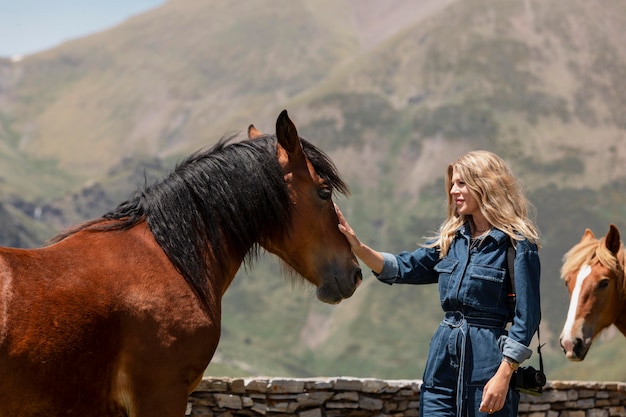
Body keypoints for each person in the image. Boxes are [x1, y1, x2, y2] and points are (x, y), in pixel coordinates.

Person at [337, 150, 541, 417]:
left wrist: (503, 376)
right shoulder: (451, 240)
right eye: (452, 184)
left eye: (461, 183)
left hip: (488, 371)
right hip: (440, 371)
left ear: (485, 185)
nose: (453, 191)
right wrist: (358, 247)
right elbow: (404, 267)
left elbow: (528, 318)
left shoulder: (518, 244)